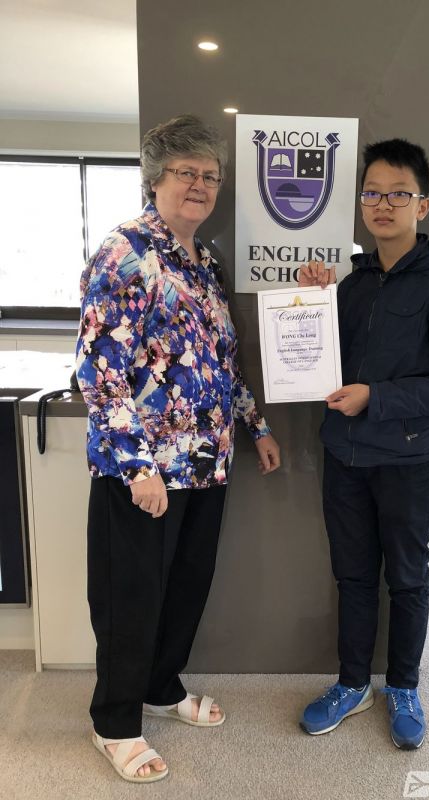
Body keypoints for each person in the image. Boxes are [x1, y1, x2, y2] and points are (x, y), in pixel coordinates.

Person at [76, 114, 280, 783]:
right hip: (144, 471)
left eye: (210, 176)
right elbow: (99, 370)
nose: (200, 185)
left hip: (206, 462)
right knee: (129, 596)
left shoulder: (204, 261)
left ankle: (161, 687)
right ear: (155, 178)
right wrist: (138, 466)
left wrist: (255, 426)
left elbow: (221, 361)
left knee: (186, 588)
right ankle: (114, 722)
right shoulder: (125, 252)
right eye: (186, 172)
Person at [297, 139, 429, 749]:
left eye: (398, 194)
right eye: (372, 192)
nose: (382, 204)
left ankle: (403, 686)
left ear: (421, 206)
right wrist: (313, 300)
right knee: (352, 578)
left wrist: (376, 398)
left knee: (406, 578)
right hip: (344, 458)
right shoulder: (353, 284)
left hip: (408, 461)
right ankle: (353, 684)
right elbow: (324, 362)